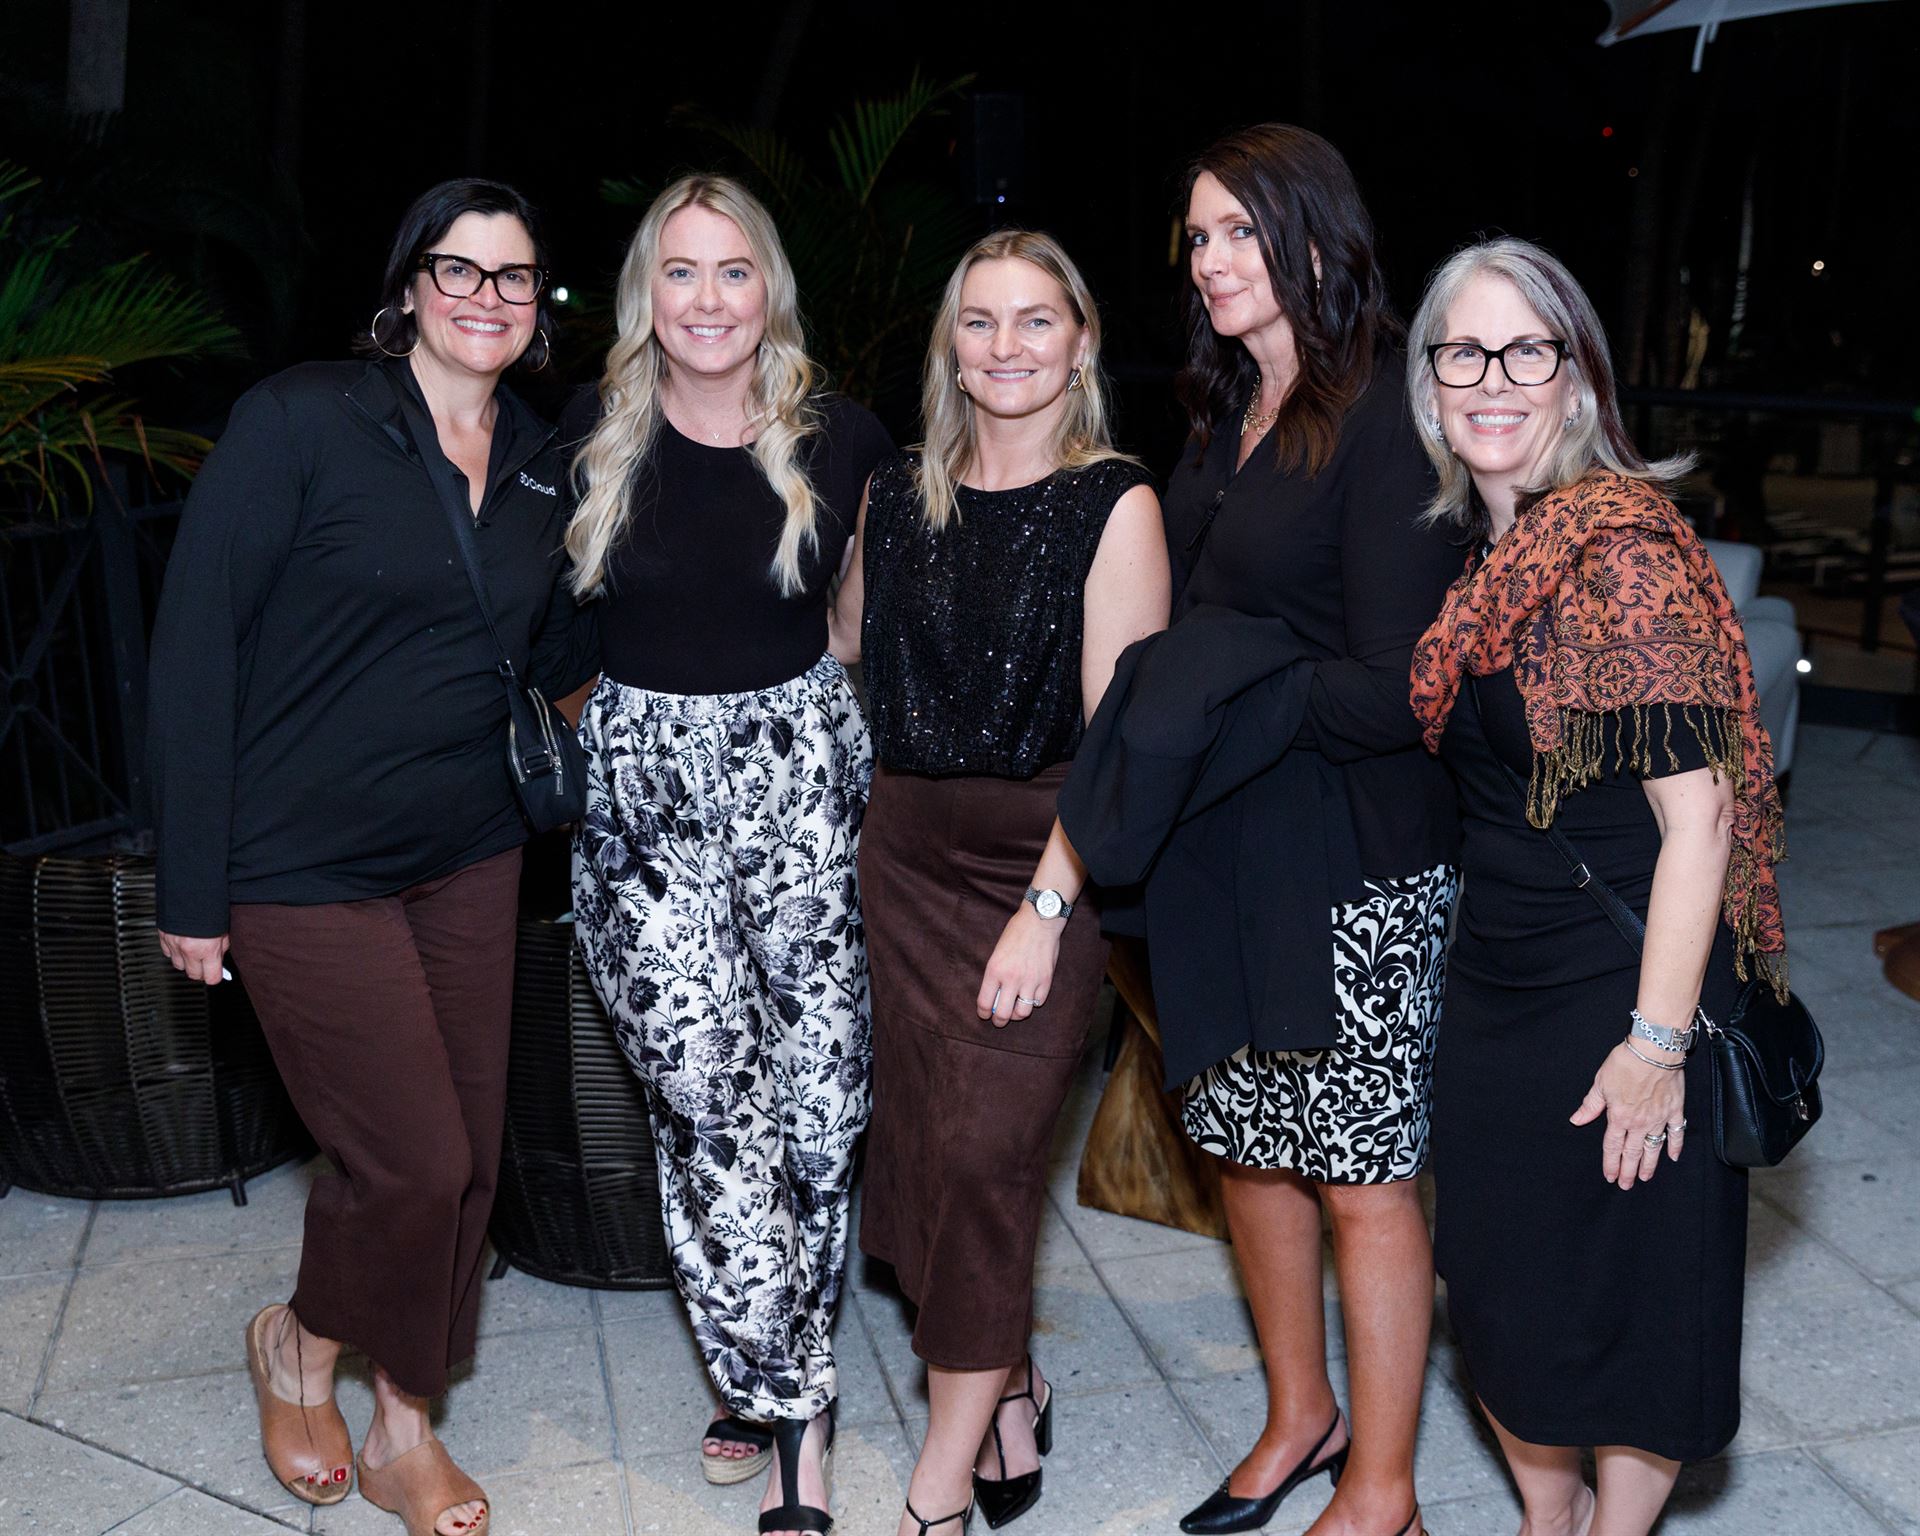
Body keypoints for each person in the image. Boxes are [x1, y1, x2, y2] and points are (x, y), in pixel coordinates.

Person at [149, 179, 597, 1536]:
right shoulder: (303, 421)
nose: (486, 298)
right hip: (299, 862)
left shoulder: (545, 462)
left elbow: (560, 654)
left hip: (468, 852)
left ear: (538, 308)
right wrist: (191, 886)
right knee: (413, 1163)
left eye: (514, 278)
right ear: (408, 286)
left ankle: (401, 1419)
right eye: (458, 269)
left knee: (461, 1163)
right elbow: (196, 646)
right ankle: (301, 1353)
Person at [1406, 238, 1784, 1536]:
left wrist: (1655, 1046)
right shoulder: (1490, 554)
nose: (1493, 379)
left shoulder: (1620, 555)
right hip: (1500, 981)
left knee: (1632, 1312)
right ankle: (1546, 1513)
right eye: (1465, 352)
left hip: (1628, 983)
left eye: (1527, 350)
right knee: (1497, 1295)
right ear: (1432, 382)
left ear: (1577, 379)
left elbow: (1703, 821)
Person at [564, 173, 892, 1536]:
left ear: (771, 291)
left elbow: (858, 628)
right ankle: (796, 1411)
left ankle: (759, 1359)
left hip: (801, 781)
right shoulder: (589, 435)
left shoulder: (844, 437)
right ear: (648, 292)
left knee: (821, 1105)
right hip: (645, 808)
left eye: (734, 270)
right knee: (710, 1102)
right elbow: (536, 620)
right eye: (682, 271)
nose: (708, 299)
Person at [1149, 125, 1463, 1536]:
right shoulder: (1224, 407)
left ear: (1319, 241)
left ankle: (1384, 1489)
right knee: (1246, 1142)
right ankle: (1300, 1417)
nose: (1211, 261)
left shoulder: (1389, 410)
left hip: (1355, 845)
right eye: (1198, 237)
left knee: (1362, 1177)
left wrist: (1217, 697)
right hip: (1224, 835)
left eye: (1238, 232)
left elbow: (1400, 686)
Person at [835, 230, 1168, 1536]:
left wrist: (1045, 908)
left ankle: (936, 1486)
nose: (1008, 345)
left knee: (984, 1155)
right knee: (924, 1149)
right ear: (951, 349)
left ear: (1081, 344)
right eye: (980, 321)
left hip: (1041, 862)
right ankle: (1008, 1382)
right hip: (901, 858)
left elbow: (1121, 742)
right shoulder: (896, 490)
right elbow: (846, 644)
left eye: (1038, 320)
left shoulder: (1114, 503)